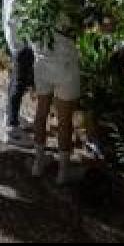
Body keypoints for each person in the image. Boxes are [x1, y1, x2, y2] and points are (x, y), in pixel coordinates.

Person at [30, 19, 81, 184]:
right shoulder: (70, 3)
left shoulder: (35, 1)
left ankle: (38, 163)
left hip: (42, 60)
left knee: (41, 111)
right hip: (64, 63)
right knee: (64, 120)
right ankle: (63, 171)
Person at [1, 0, 35, 147]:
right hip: (20, 40)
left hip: (15, 38)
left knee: (16, 78)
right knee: (19, 82)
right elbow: (14, 15)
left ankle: (11, 115)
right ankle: (12, 127)